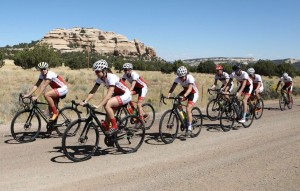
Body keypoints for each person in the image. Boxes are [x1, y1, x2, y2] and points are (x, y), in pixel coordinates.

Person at [81, 59, 132, 134]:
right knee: (108, 112)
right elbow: (93, 91)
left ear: (104, 70)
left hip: (125, 94)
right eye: (95, 71)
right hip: (118, 95)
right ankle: (108, 129)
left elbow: (109, 94)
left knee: (107, 105)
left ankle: (114, 126)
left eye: (98, 71)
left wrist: (98, 105)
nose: (96, 73)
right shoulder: (100, 78)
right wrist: (85, 101)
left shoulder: (111, 77)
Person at [167, 66, 199, 136]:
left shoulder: (190, 78)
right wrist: (169, 94)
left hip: (193, 93)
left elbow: (190, 89)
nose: (181, 78)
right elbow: (173, 87)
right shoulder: (178, 79)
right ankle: (184, 118)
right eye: (179, 77)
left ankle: (189, 128)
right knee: (177, 102)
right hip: (185, 91)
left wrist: (184, 96)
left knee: (188, 108)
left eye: (182, 77)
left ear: (186, 74)